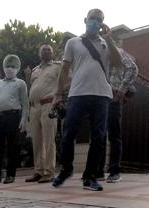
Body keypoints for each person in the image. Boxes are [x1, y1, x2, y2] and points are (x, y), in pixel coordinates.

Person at [51, 8, 121, 191]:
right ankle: (66, 169)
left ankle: (89, 177)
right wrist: (58, 95)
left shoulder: (106, 43)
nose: (95, 22)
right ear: (85, 20)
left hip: (101, 95)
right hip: (77, 94)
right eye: (92, 18)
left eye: (99, 19)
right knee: (68, 135)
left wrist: (110, 39)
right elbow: (64, 70)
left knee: (98, 137)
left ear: (103, 23)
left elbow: (118, 62)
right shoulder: (73, 42)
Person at [0, 54, 29, 184]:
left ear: (17, 68)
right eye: (8, 66)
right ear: (3, 68)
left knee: (12, 146)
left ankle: (10, 175)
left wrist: (23, 120)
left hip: (13, 116)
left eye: (13, 66)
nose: (10, 68)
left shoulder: (21, 83)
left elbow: (25, 103)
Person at [96, 49, 138, 183]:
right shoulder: (95, 53)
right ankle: (98, 172)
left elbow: (132, 68)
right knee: (99, 136)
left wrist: (121, 90)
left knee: (114, 135)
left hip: (113, 96)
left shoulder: (116, 51)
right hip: (99, 97)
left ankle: (114, 172)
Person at [24, 44, 61, 183]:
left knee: (49, 140)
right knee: (37, 141)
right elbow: (31, 88)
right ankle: (38, 170)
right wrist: (27, 77)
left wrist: (58, 95)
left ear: (53, 53)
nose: (46, 52)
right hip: (34, 107)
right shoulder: (34, 70)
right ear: (39, 54)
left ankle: (49, 172)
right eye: (43, 50)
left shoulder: (58, 67)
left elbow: (67, 80)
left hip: (48, 105)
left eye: (49, 50)